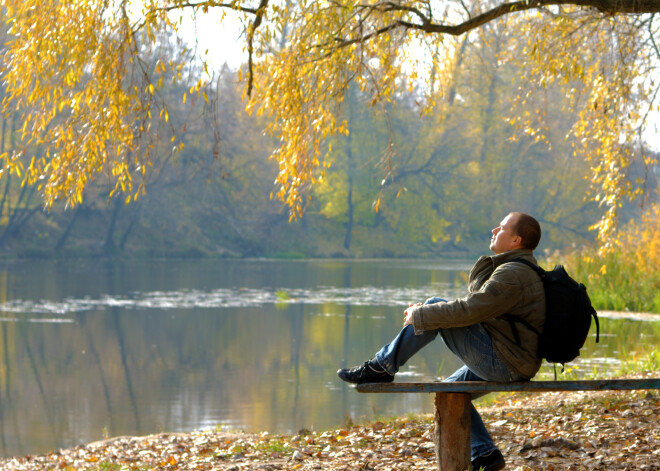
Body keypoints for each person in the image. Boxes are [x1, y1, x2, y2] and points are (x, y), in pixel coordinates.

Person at [337, 212, 545, 471]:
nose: (494, 229)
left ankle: (381, 367)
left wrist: (423, 314)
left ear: (516, 240)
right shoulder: (518, 269)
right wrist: (425, 314)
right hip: (513, 359)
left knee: (434, 307)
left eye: (501, 228)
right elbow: (478, 312)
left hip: (506, 362)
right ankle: (485, 454)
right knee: (449, 390)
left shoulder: (513, 274)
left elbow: (470, 310)